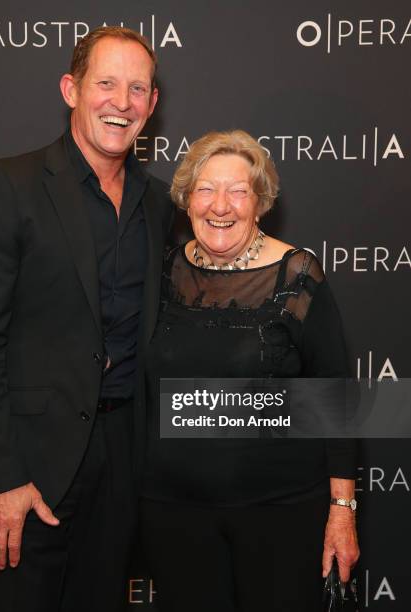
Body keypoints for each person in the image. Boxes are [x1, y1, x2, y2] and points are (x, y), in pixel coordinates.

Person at [0, 26, 173, 612]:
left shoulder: (160, 203)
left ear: (152, 105)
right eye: (106, 83)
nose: (121, 102)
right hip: (29, 465)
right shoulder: (9, 185)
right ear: (71, 89)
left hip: (124, 460)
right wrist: (1, 476)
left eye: (137, 89)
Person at [139, 130, 359, 612]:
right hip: (174, 513)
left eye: (238, 191)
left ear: (259, 203)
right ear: (186, 200)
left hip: (279, 513)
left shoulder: (298, 275)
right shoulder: (163, 273)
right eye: (205, 189)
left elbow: (336, 398)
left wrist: (342, 511)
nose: (221, 205)